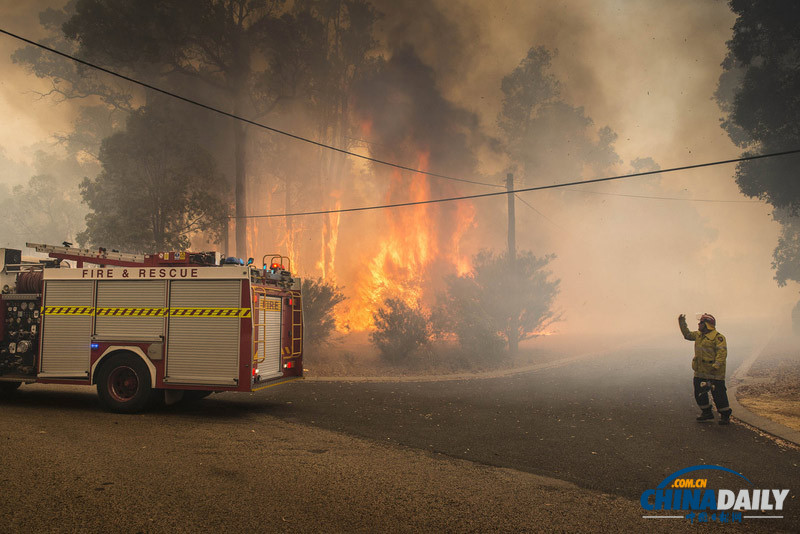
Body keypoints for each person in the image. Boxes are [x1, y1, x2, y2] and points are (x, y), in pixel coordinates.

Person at [678, 313, 732, 425]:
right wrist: (682, 322)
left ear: (707, 324)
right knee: (699, 393)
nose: (699, 324)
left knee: (719, 394)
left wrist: (716, 366)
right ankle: (706, 412)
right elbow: (687, 335)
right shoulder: (698, 335)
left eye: (701, 322)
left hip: (715, 373)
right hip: (700, 372)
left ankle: (725, 415)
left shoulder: (718, 338)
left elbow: (722, 353)